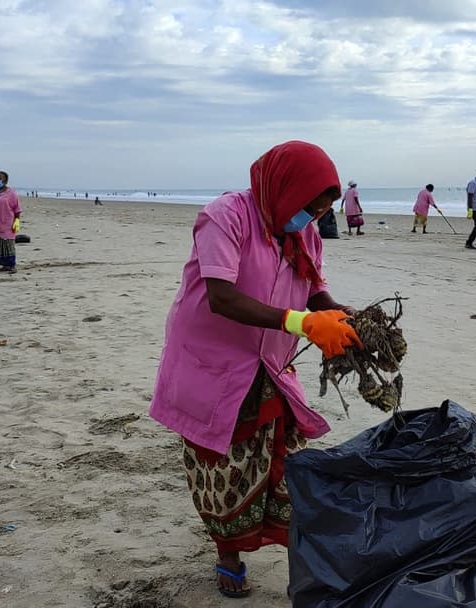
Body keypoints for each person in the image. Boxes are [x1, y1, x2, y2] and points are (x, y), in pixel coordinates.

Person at [149, 141, 362, 599]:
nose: (311, 217)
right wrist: (299, 321)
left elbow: (313, 289)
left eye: (322, 210)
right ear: (284, 188)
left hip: (272, 364)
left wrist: (337, 313)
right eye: (308, 207)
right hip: (215, 365)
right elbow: (221, 296)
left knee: (286, 465)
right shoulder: (226, 216)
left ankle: (299, 560)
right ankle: (229, 556)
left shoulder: (305, 235)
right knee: (224, 468)